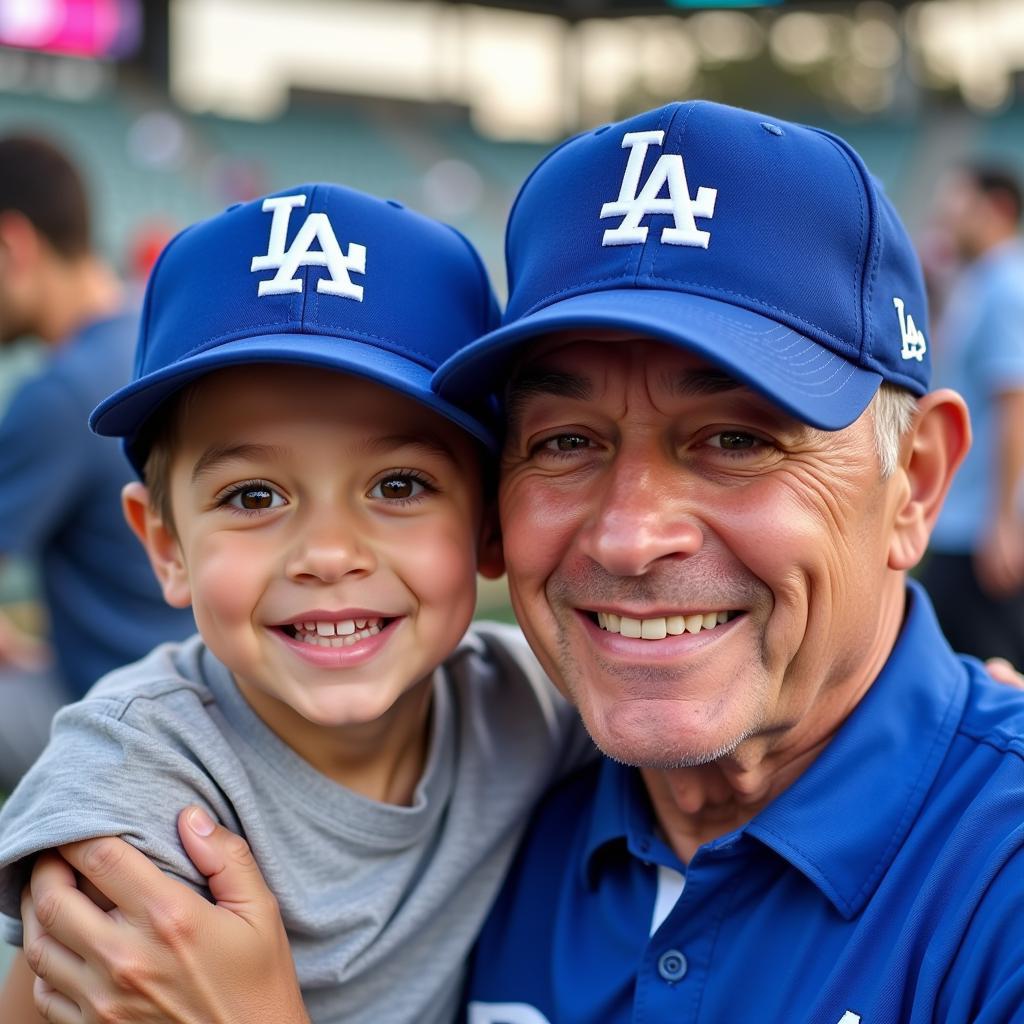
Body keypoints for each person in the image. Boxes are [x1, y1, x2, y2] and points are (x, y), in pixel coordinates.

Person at [13, 103, 1024, 1024]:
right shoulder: (529, 753)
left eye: (734, 439)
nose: (628, 537)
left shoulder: (995, 867)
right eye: (565, 441)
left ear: (917, 482)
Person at [0, 182, 592, 1023]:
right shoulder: (139, 796)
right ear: (165, 545)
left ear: (491, 525)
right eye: (252, 497)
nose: (327, 554)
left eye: (398, 484)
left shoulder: (537, 704)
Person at [0, 136, 194, 791]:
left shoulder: (58, 394)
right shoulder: (157, 331)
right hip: (205, 690)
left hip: (114, 715)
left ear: (13, 246)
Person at [918, 162, 1024, 664]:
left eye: (959, 203)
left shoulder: (1007, 286)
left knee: (990, 669)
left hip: (980, 528)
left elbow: (1014, 403)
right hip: (962, 520)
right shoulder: (981, 282)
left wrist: (1003, 522)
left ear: (996, 208)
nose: (947, 214)